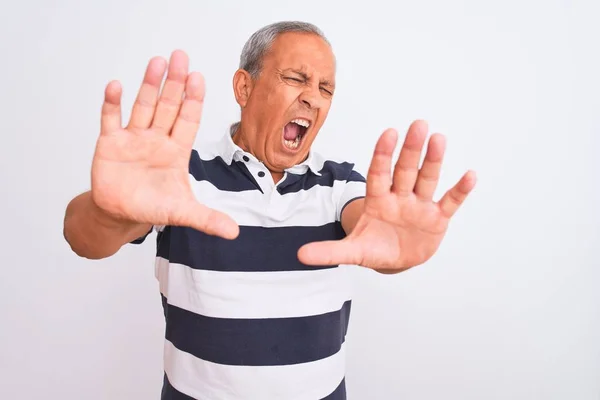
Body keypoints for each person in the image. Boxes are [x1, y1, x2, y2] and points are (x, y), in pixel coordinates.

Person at [63, 21, 476, 400]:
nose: (312, 97)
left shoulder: (339, 184)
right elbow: (85, 239)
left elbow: (371, 224)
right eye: (296, 78)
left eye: (325, 88)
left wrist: (396, 243)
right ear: (244, 88)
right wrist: (111, 213)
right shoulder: (180, 177)